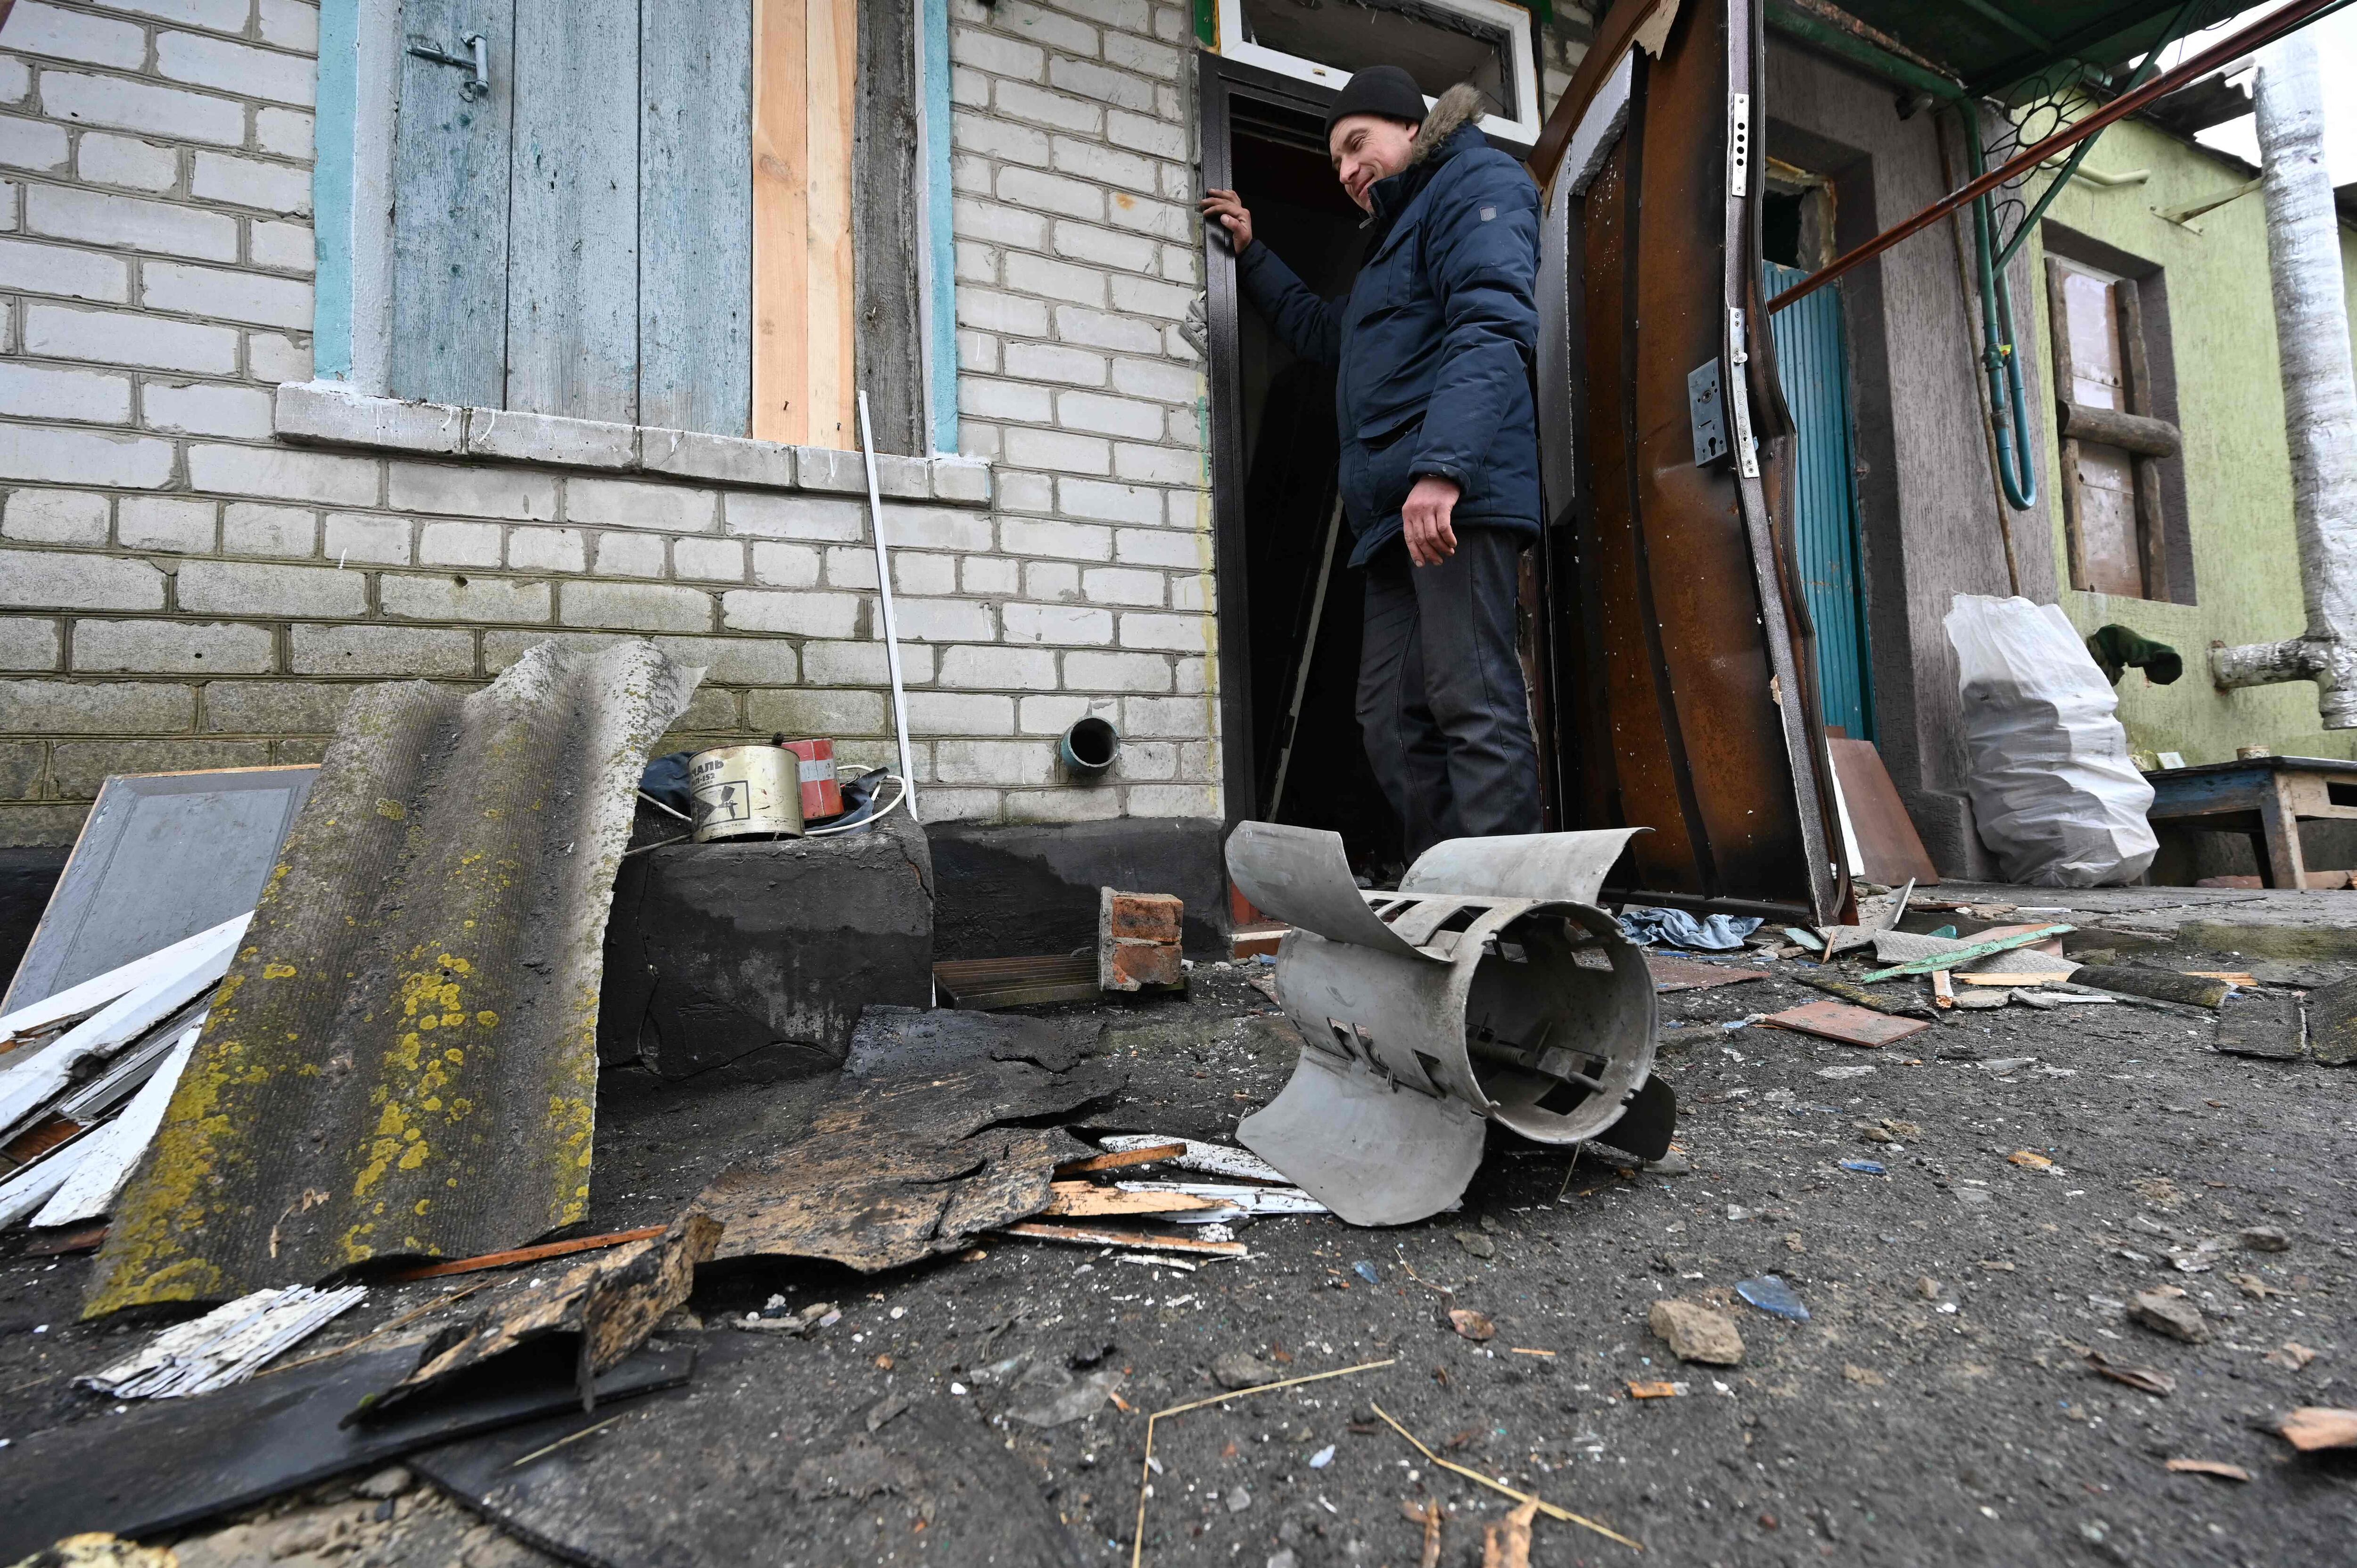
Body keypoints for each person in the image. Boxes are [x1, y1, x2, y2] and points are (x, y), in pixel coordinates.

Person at [1200, 66, 1544, 865]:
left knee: (1472, 701)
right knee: (1388, 717)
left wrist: (1445, 469)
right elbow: (1329, 336)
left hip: (1458, 500)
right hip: (1391, 517)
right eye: (1337, 163)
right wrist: (1253, 255)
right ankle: (1448, 888)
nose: (1349, 172)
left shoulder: (1476, 184)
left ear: (1412, 128)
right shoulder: (1390, 246)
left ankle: (1514, 912)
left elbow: (1493, 323)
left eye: (1358, 146)